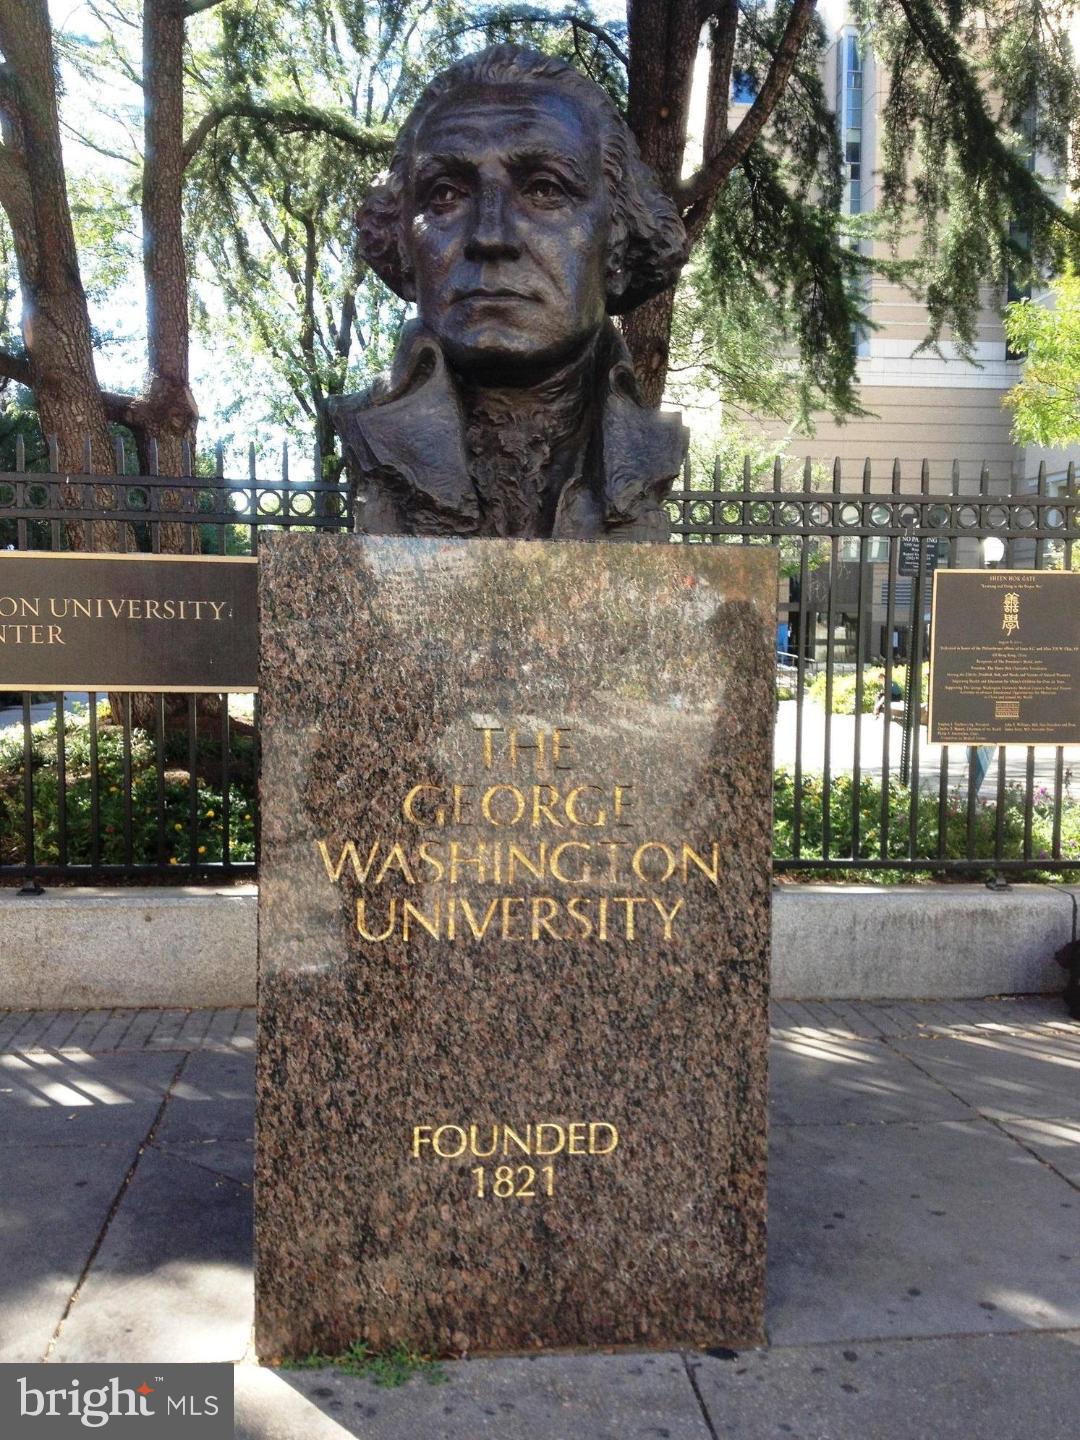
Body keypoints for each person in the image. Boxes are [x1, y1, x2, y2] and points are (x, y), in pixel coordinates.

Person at [329, 44, 690, 541]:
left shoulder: (647, 448)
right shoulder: (366, 435)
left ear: (618, 238)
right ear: (402, 247)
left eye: (545, 189)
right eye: (446, 195)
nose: (490, 235)